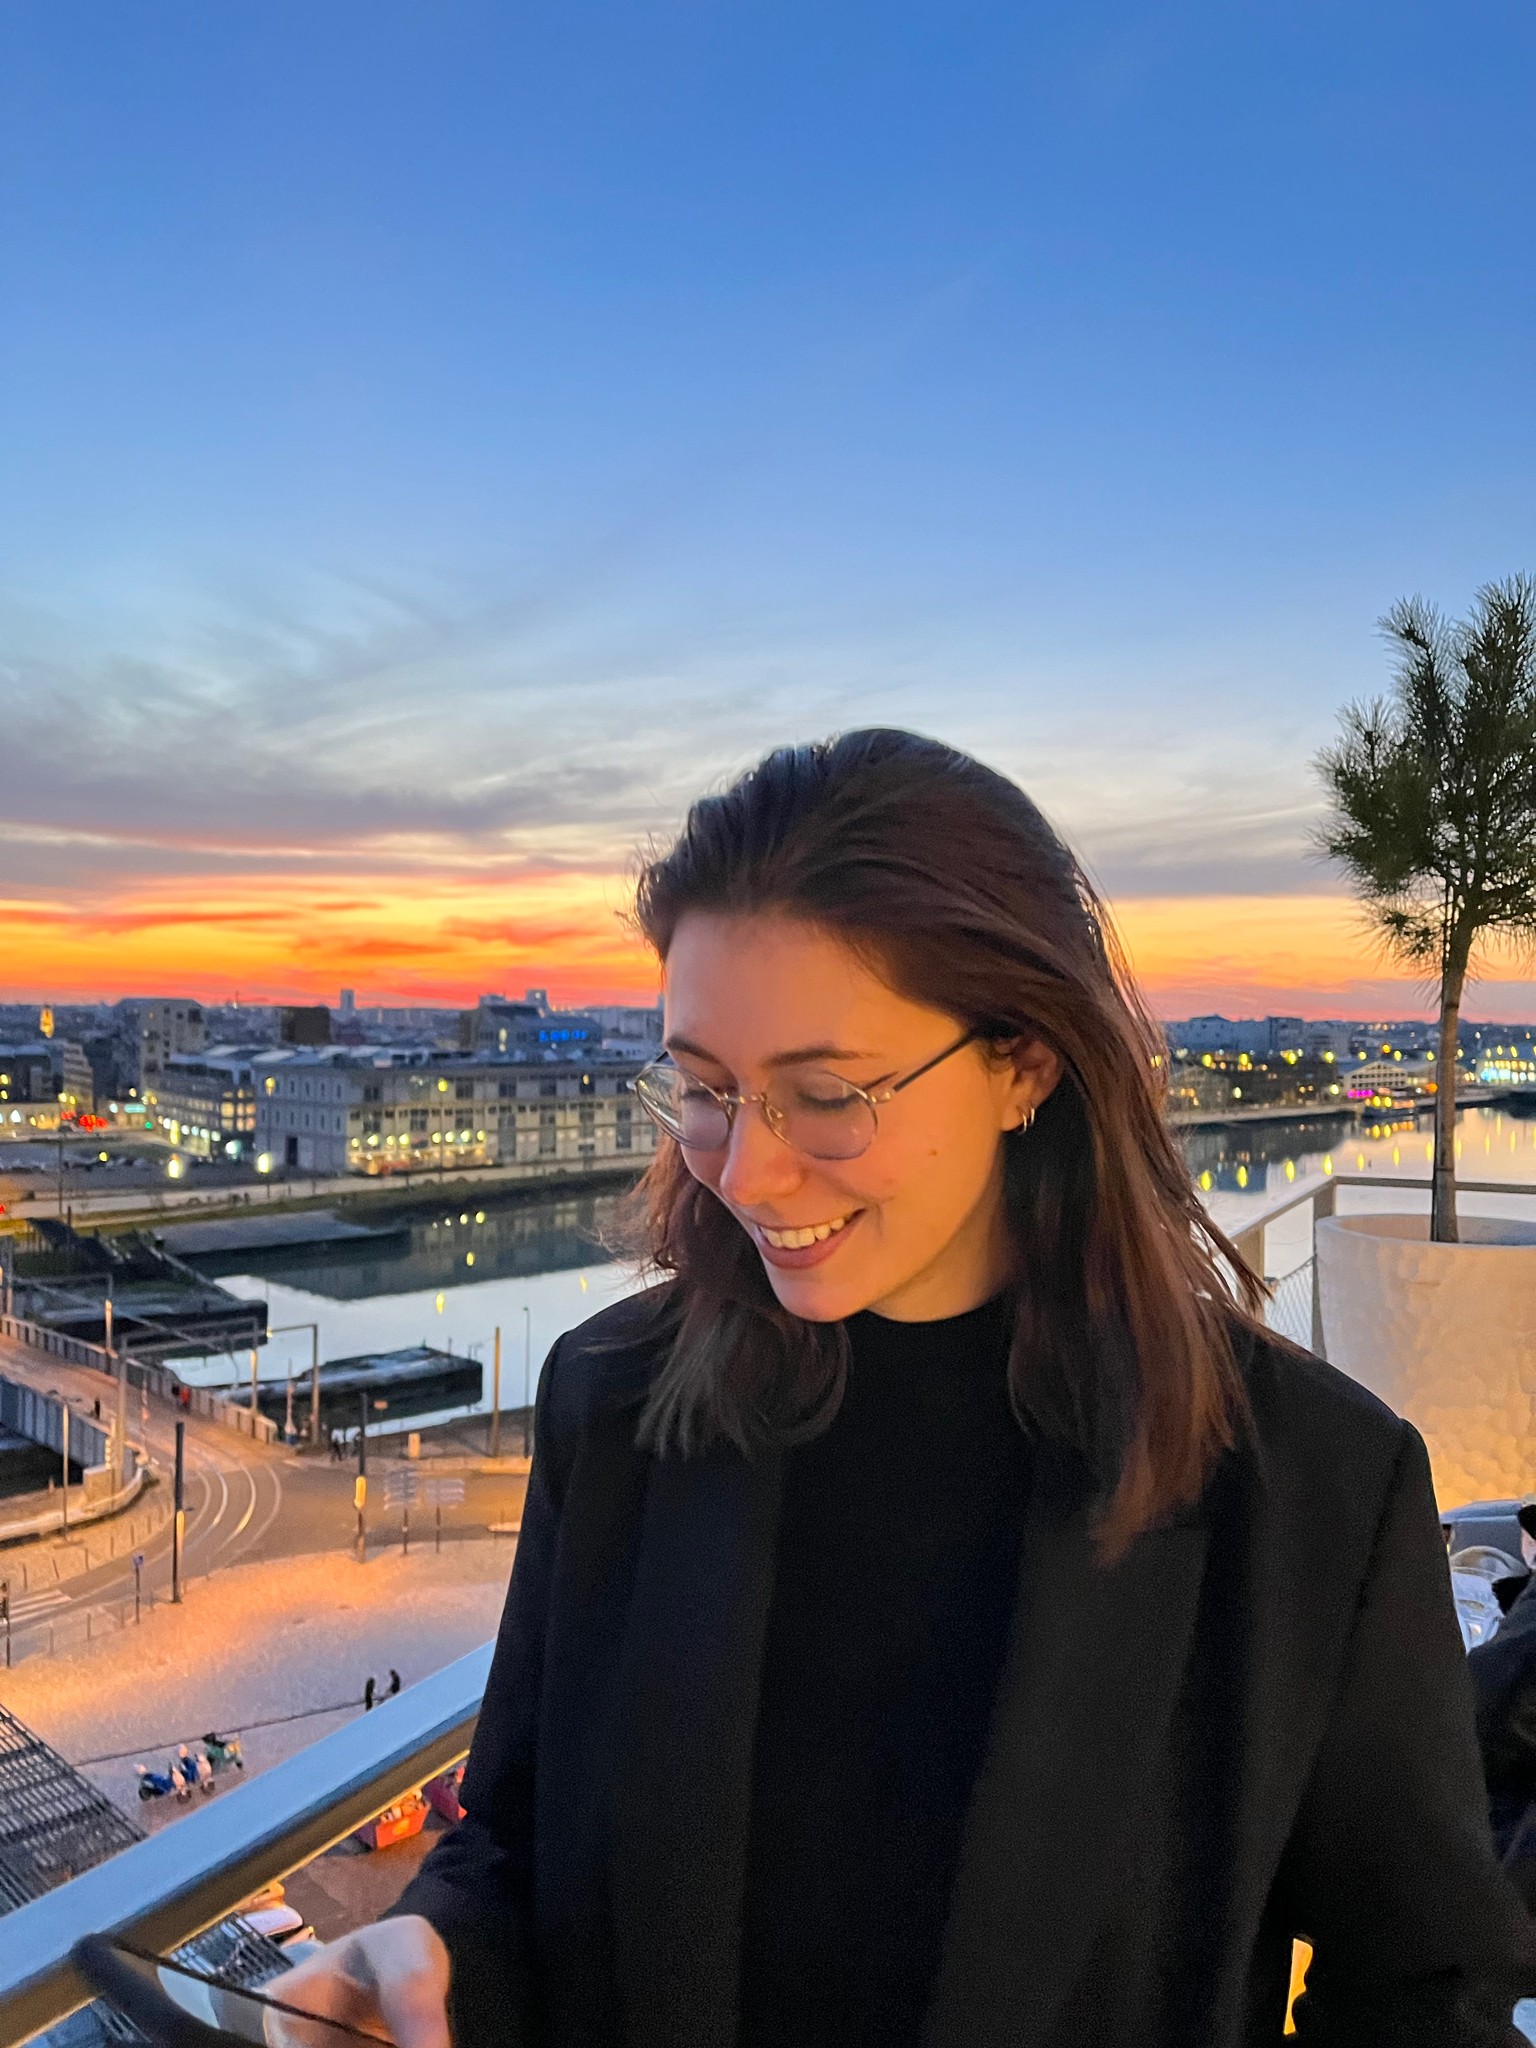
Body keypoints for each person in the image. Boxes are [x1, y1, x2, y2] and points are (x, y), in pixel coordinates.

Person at [276, 731, 1534, 2048]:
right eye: (704, 1090)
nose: (744, 1173)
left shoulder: (1310, 1487)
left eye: (824, 1096)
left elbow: (1426, 1992)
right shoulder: (614, 1402)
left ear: (1025, 1065)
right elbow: (516, 1839)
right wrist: (430, 1953)